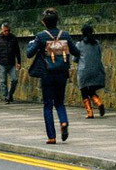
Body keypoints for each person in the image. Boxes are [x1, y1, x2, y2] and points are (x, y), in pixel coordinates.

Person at [26, 8, 80, 145]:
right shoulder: (66, 35)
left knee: (48, 105)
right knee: (60, 102)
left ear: (44, 22)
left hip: (47, 73)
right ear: (57, 21)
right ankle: (63, 121)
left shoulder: (41, 36)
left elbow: (29, 54)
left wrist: (33, 44)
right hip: (62, 73)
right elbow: (76, 52)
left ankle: (51, 136)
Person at [74, 24, 105, 118]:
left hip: (84, 71)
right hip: (97, 70)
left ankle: (90, 112)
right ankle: (98, 102)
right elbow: (99, 55)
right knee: (91, 90)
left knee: (84, 90)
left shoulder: (79, 44)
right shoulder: (97, 43)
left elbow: (74, 59)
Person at [0, 21, 22, 104]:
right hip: (1, 63)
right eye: (5, 31)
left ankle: (10, 94)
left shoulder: (13, 38)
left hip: (11, 62)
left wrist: (19, 62)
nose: (7, 32)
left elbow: (17, 51)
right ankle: (6, 96)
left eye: (8, 31)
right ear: (2, 30)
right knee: (3, 81)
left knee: (14, 79)